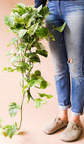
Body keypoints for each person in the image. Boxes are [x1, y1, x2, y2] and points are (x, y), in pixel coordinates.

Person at [35, 0, 84, 142]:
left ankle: (75, 120)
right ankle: (63, 117)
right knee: (59, 67)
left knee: (76, 67)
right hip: (52, 8)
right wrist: (37, 9)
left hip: (77, 6)